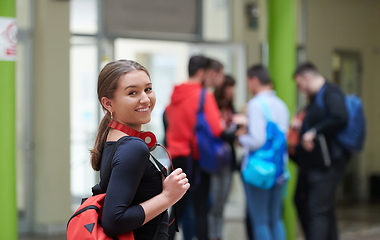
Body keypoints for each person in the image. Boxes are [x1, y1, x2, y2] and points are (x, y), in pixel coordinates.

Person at [89, 59, 190, 240]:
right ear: (108, 103)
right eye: (132, 92)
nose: (145, 99)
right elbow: (114, 221)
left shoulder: (113, 138)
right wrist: (168, 196)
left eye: (148, 89)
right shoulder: (133, 147)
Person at [165, 55, 223, 240]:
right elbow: (216, 128)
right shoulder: (204, 96)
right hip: (196, 157)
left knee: (176, 209)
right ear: (201, 73)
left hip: (176, 157)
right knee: (201, 209)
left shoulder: (174, 95)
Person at [292, 62, 349, 240]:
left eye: (300, 84)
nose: (300, 89)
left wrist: (313, 132)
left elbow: (340, 117)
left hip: (328, 163)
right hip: (315, 163)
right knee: (320, 208)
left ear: (307, 78)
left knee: (318, 210)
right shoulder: (316, 98)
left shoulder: (330, 93)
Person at [235, 64, 289, 240]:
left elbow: (257, 140)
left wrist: (240, 139)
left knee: (260, 221)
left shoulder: (256, 104)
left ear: (254, 80)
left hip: (259, 170)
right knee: (276, 219)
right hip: (279, 168)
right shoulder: (281, 104)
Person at [209, 74, 238, 240]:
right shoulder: (211, 105)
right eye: (229, 87)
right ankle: (213, 235)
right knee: (213, 203)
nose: (232, 91)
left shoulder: (231, 107)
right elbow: (216, 132)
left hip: (228, 160)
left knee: (222, 203)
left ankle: (218, 235)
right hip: (214, 160)